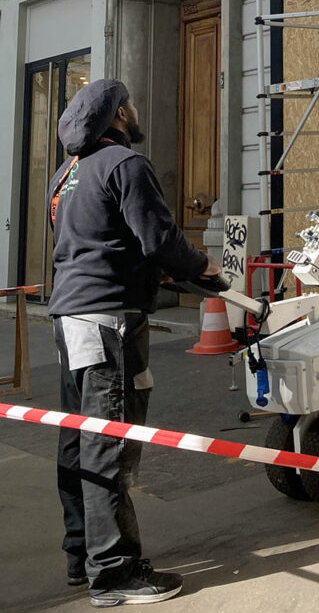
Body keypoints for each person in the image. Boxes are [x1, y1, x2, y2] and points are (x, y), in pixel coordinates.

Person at [47, 78, 219, 607]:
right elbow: (159, 238)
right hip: (109, 325)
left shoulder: (66, 173)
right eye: (134, 103)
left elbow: (99, 241)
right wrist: (201, 268)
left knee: (79, 441)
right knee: (109, 445)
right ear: (121, 112)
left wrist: (153, 273)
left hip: (70, 318)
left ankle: (83, 555)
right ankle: (115, 575)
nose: (138, 110)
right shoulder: (126, 164)